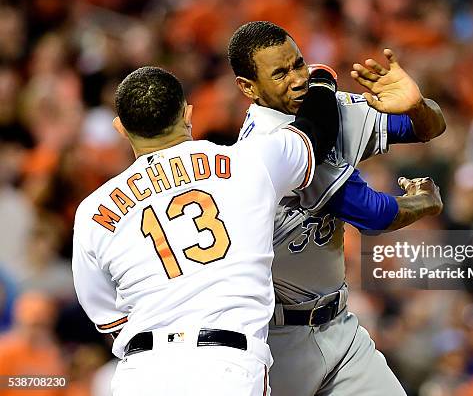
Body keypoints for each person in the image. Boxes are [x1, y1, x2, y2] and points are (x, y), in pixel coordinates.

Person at [71, 65, 340, 396]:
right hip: (226, 365)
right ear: (188, 113)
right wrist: (320, 78)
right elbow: (317, 133)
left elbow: (110, 319)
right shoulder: (249, 162)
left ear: (121, 129)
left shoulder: (93, 212)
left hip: (141, 373)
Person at [228, 21, 445, 395]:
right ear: (248, 87)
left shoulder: (324, 106)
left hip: (340, 326)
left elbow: (428, 127)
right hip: (277, 340)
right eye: (280, 73)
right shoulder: (267, 149)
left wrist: (417, 105)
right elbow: (372, 214)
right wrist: (424, 202)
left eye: (298, 64)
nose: (297, 79)